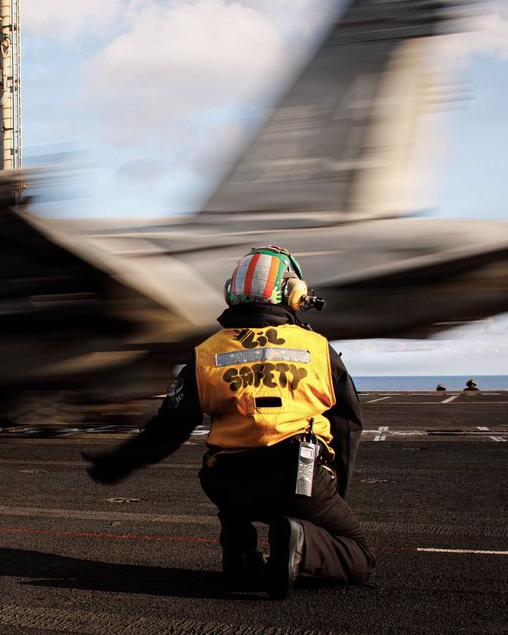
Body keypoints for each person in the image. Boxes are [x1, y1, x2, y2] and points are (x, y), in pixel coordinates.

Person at [84, 245, 375, 599]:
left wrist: (117, 463)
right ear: (295, 294)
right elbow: (347, 425)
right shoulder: (318, 349)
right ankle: (299, 545)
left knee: (227, 477)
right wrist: (331, 497)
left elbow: (167, 429)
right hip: (296, 480)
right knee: (358, 554)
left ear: (231, 292)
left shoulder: (205, 354)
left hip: (228, 482)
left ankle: (240, 555)